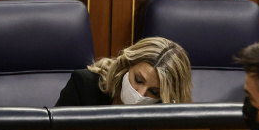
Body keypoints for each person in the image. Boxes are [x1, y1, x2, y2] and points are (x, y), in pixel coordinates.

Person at [55, 37, 193, 106]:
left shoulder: (167, 108)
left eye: (154, 92)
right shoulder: (84, 85)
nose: (140, 94)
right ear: (126, 65)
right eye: (138, 80)